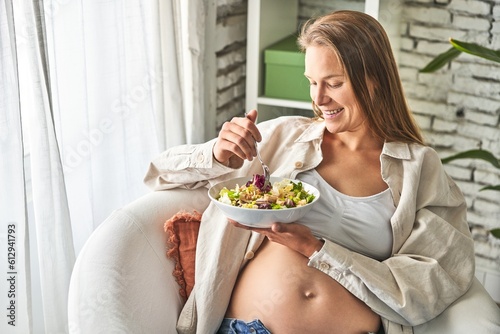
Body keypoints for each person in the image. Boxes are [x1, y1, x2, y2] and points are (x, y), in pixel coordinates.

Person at [144, 10, 475, 334]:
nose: (318, 98)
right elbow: (158, 173)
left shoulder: (418, 167)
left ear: (374, 80)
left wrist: (317, 249)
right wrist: (217, 155)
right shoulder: (285, 136)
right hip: (247, 328)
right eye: (313, 82)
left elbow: (436, 278)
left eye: (333, 83)